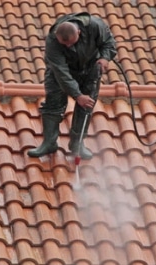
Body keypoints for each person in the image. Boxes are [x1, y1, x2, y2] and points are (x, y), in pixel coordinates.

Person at [28, 12, 117, 159]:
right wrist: (77, 95)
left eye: (71, 42)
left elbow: (109, 43)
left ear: (79, 32)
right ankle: (49, 142)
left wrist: (105, 57)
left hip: (89, 70)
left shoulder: (95, 26)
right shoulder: (52, 40)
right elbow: (61, 72)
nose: (68, 46)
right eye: (64, 44)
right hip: (59, 73)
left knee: (86, 105)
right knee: (53, 103)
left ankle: (77, 143)